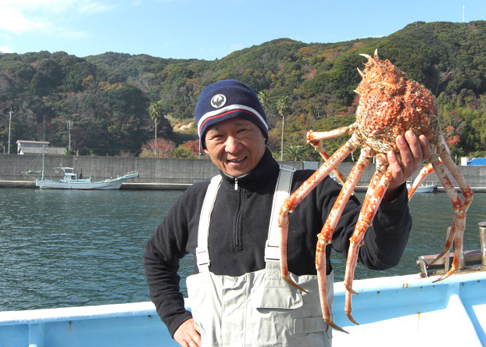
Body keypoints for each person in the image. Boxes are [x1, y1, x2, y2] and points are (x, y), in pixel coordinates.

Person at [144, 79, 431, 347]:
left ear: (264, 132)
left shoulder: (313, 189)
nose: (232, 146)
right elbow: (156, 257)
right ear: (204, 147)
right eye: (218, 136)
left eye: (242, 130)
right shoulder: (196, 200)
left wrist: (392, 192)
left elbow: (376, 256)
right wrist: (175, 318)